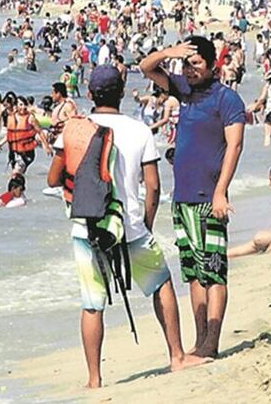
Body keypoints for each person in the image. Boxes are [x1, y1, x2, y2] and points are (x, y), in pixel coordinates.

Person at [46, 64, 204, 388]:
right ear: (121, 92)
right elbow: (154, 186)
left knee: (92, 304)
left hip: (87, 227)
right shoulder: (140, 130)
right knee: (161, 284)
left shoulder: (73, 130)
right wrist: (144, 223)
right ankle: (176, 356)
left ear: (89, 94)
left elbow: (53, 178)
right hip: (130, 225)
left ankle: (94, 379)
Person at [138, 36, 245, 359]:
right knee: (194, 273)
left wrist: (220, 191)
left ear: (213, 65)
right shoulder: (184, 91)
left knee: (213, 271)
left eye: (196, 63)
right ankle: (200, 342)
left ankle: (212, 342)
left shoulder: (227, 100)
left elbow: (235, 146)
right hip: (182, 197)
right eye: (186, 64)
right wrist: (169, 53)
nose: (190, 69)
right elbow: (146, 67)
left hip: (208, 196)